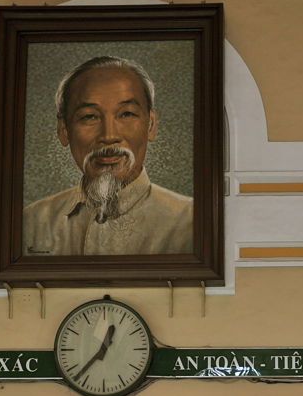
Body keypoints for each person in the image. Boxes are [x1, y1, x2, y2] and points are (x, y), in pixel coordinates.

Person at [22, 55, 193, 256]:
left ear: (151, 125)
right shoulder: (31, 222)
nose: (109, 136)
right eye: (89, 116)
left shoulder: (190, 221)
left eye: (126, 114)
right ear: (63, 130)